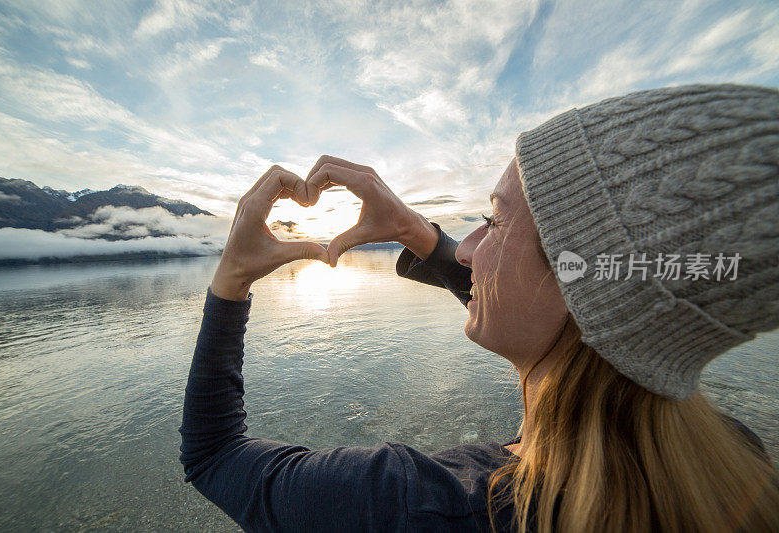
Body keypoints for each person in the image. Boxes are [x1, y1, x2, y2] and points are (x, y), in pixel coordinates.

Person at [179, 83, 779, 532]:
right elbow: (572, 308)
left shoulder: (427, 504)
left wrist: (231, 278)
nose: (466, 249)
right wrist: (416, 232)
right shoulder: (735, 465)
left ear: (582, 287)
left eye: (492, 221)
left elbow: (212, 457)